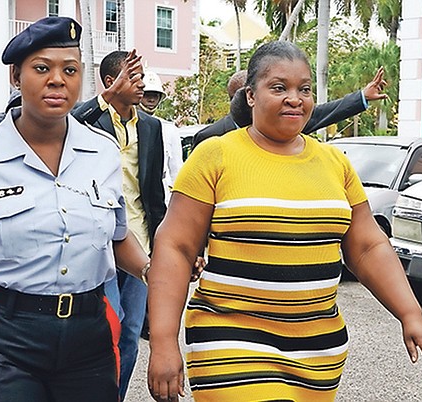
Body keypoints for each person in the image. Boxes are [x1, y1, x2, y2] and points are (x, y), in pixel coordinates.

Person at [146, 40, 422, 401]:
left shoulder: (335, 164)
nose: (294, 98)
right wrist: (163, 342)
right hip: (230, 339)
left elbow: (367, 247)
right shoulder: (215, 155)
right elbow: (174, 247)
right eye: (278, 87)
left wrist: (410, 314)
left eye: (304, 89)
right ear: (250, 96)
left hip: (318, 351)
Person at [0, 16, 150, 402]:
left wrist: (152, 270)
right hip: (2, 337)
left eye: (70, 70)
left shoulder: (103, 151)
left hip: (88, 337)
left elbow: (117, 236)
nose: (57, 79)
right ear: (15, 76)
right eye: (42, 68)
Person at [72, 50, 165, 401]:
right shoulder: (89, 121)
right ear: (111, 82)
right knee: (106, 329)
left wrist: (163, 244)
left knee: (129, 334)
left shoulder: (152, 127)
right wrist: (105, 100)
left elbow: (153, 192)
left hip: (140, 244)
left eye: (142, 77)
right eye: (135, 77)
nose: (142, 84)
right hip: (100, 247)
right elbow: (65, 121)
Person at [191, 67, 388, 149]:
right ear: (246, 97)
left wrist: (362, 96)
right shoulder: (209, 138)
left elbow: (327, 112)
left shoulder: (288, 125)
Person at [139, 70, 186, 205]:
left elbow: (176, 169)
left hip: (161, 194)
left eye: (155, 95)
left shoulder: (169, 129)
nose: (151, 99)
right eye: (147, 95)